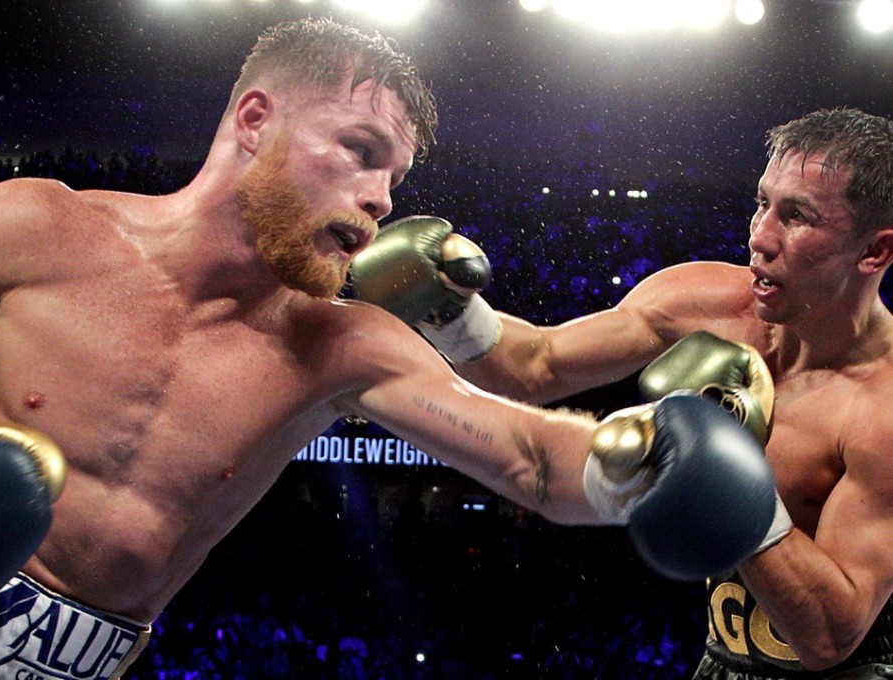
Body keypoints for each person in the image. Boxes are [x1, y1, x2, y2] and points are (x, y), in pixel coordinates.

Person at [0, 16, 775, 680]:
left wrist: (654, 464)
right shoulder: (37, 229)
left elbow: (532, 459)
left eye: (396, 176)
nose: (382, 198)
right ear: (255, 120)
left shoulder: (340, 347)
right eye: (359, 149)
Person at [351, 107, 893, 678]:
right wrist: (450, 311)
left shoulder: (881, 409)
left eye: (798, 217)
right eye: (763, 203)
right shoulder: (707, 303)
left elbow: (833, 637)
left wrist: (732, 479)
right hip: (718, 661)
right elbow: (536, 366)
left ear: (874, 252)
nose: (759, 236)